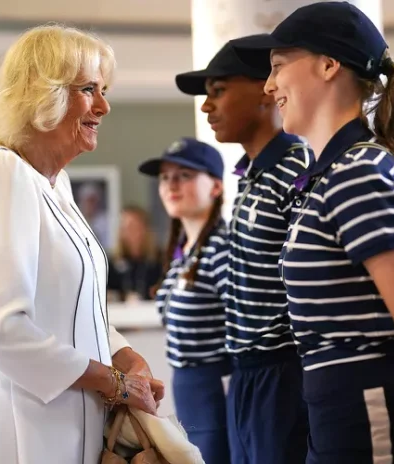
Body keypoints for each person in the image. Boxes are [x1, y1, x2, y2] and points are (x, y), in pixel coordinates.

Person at [232, 3, 394, 463]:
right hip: (341, 415)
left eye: (277, 67)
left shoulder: (359, 174)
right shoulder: (329, 174)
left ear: (329, 64)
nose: (269, 85)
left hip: (373, 415)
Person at [0, 25, 164, 464]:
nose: (104, 105)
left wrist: (126, 356)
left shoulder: (55, 187)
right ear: (43, 94)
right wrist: (112, 382)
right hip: (14, 428)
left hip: (60, 423)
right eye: (89, 89)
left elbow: (75, 308)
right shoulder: (0, 173)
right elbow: (2, 329)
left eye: (104, 90)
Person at [175, 36, 312, 464]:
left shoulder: (298, 169)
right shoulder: (251, 175)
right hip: (247, 373)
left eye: (218, 91)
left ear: (266, 90)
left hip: (285, 371)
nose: (206, 106)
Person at [138, 137, 231, 464]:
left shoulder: (223, 248)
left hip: (217, 393)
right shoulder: (184, 252)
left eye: (185, 175)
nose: (171, 185)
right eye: (165, 177)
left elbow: (243, 329)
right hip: (188, 390)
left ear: (216, 187)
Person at [107, 205, 163, 302]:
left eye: (136, 226)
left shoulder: (160, 260)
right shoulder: (111, 263)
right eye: (126, 227)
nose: (131, 231)